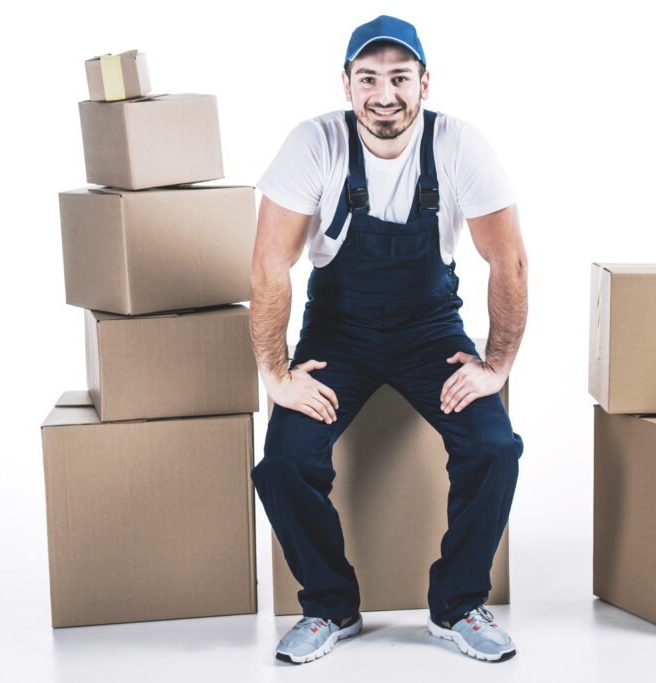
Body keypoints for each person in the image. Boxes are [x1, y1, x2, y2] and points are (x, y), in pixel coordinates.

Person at [249, 15, 527, 665]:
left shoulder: (458, 144)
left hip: (430, 331)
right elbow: (269, 265)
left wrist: (496, 365)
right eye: (368, 77)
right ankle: (328, 605)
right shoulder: (314, 143)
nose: (384, 93)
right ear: (346, 84)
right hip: (336, 332)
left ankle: (458, 604)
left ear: (424, 83)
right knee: (284, 461)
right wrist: (276, 375)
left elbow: (508, 261)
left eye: (399, 77)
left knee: (494, 447)